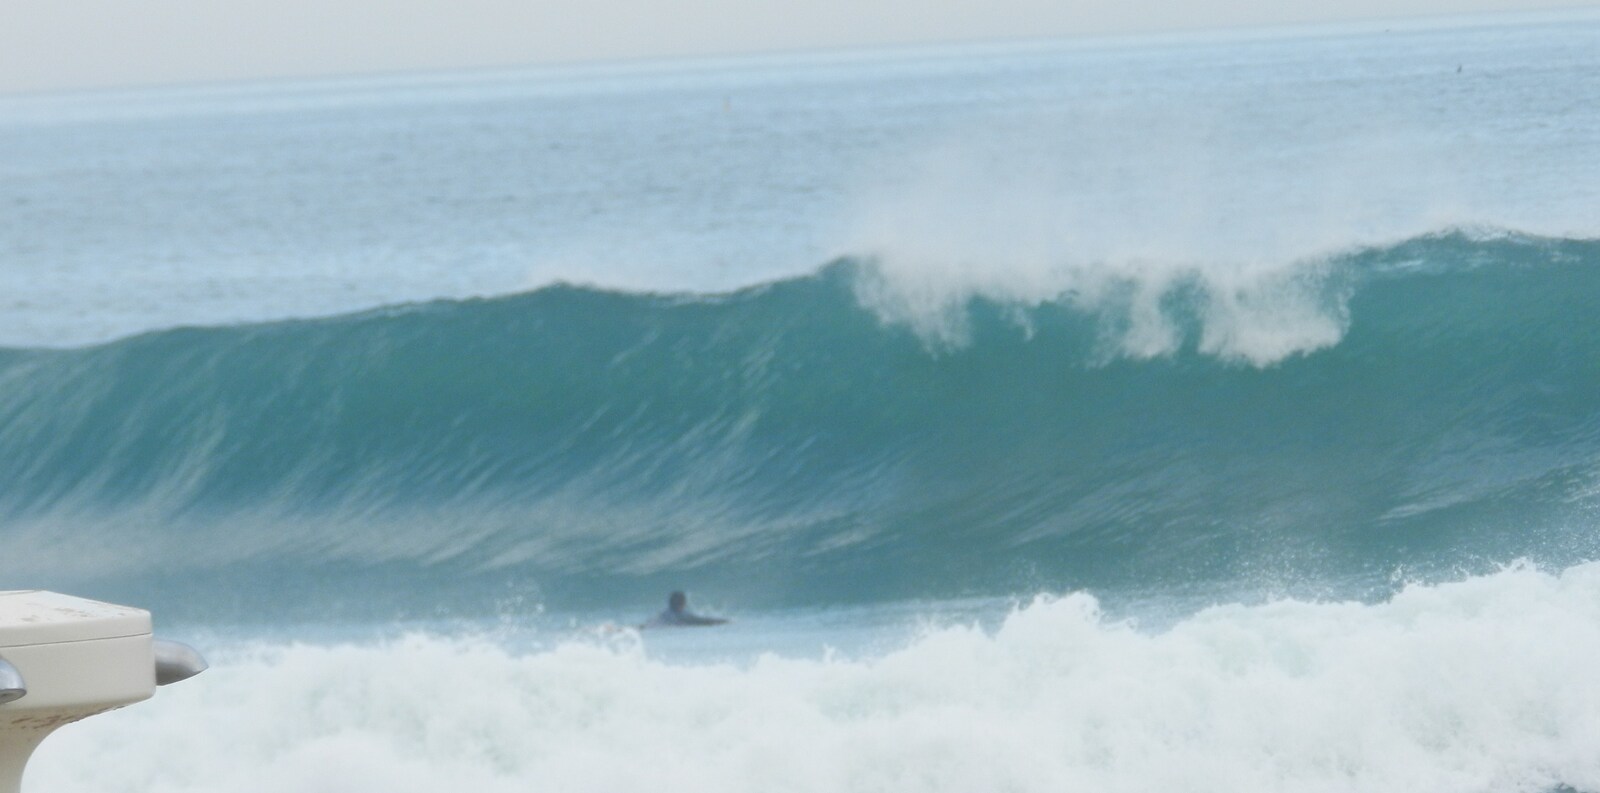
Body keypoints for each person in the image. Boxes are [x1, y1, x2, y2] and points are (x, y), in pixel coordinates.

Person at [640, 591, 728, 628]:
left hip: (651, 626)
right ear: (682, 604)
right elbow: (701, 621)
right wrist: (723, 621)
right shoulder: (682, 615)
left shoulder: (664, 613)